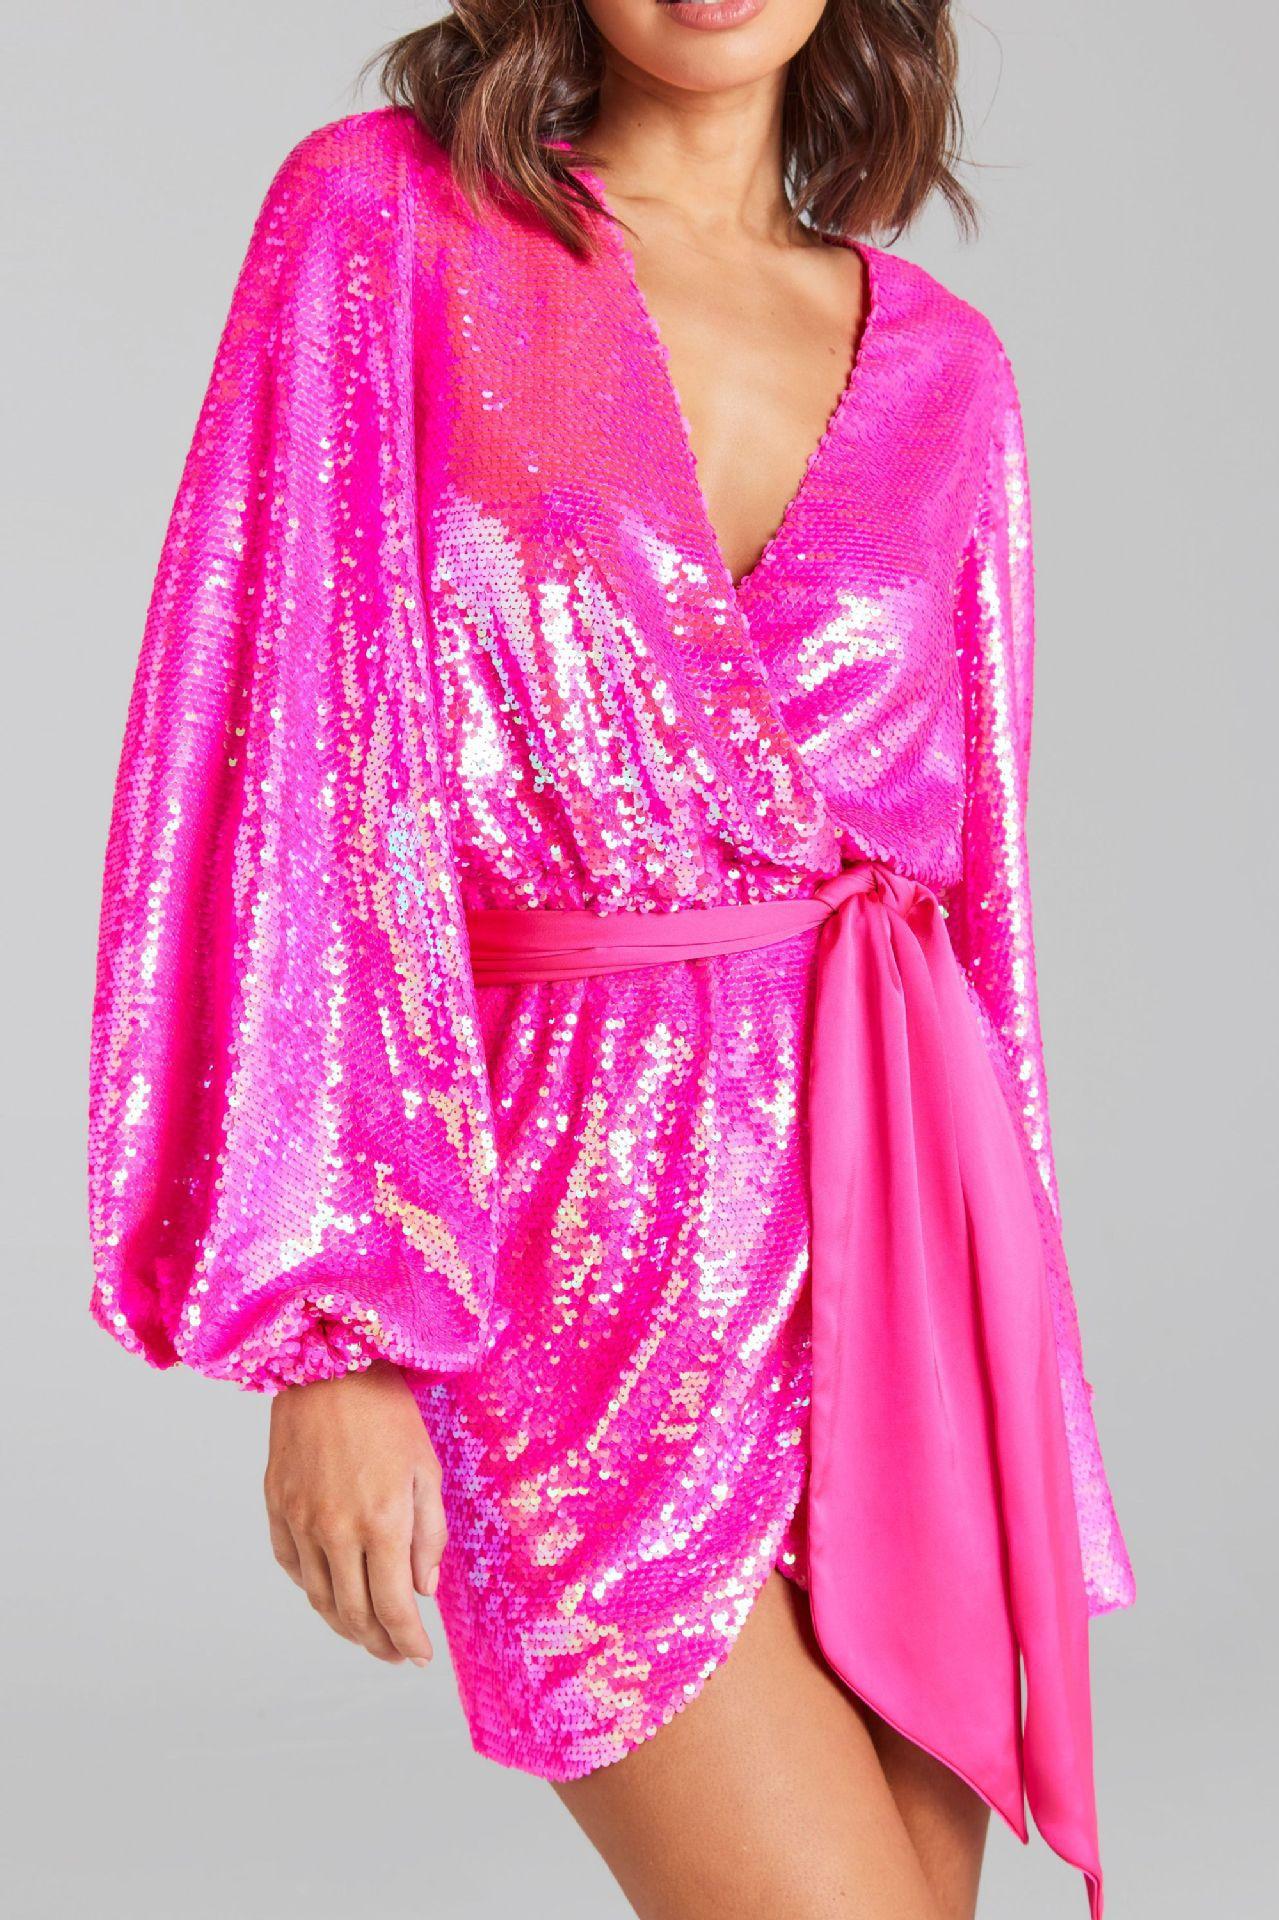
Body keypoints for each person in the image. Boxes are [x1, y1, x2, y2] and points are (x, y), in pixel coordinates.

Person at [86, 4, 1135, 1916]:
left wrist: (1017, 1351)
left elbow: (979, 914)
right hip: (556, 1239)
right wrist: (335, 1335)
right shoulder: (389, 228)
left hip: (899, 1246)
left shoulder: (947, 374)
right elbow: (290, 756)